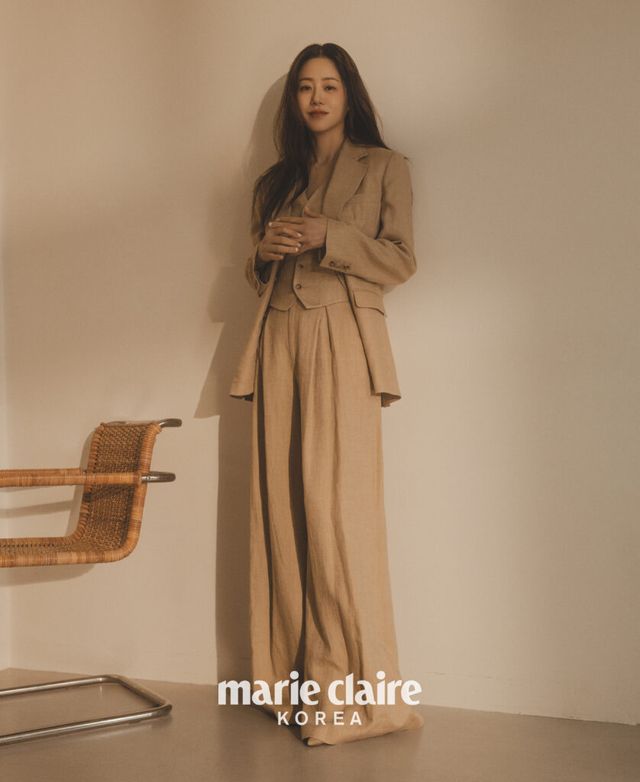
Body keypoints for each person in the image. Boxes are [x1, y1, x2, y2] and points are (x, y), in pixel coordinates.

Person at [229, 42, 423, 746]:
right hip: (278, 336)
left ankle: (356, 701)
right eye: (306, 87)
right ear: (294, 101)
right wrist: (263, 253)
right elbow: (255, 270)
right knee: (283, 513)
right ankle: (294, 687)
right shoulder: (275, 180)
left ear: (349, 95)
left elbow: (401, 260)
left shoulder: (387, 166)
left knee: (338, 513)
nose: (316, 98)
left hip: (343, 335)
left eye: (329, 86)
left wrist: (328, 234)